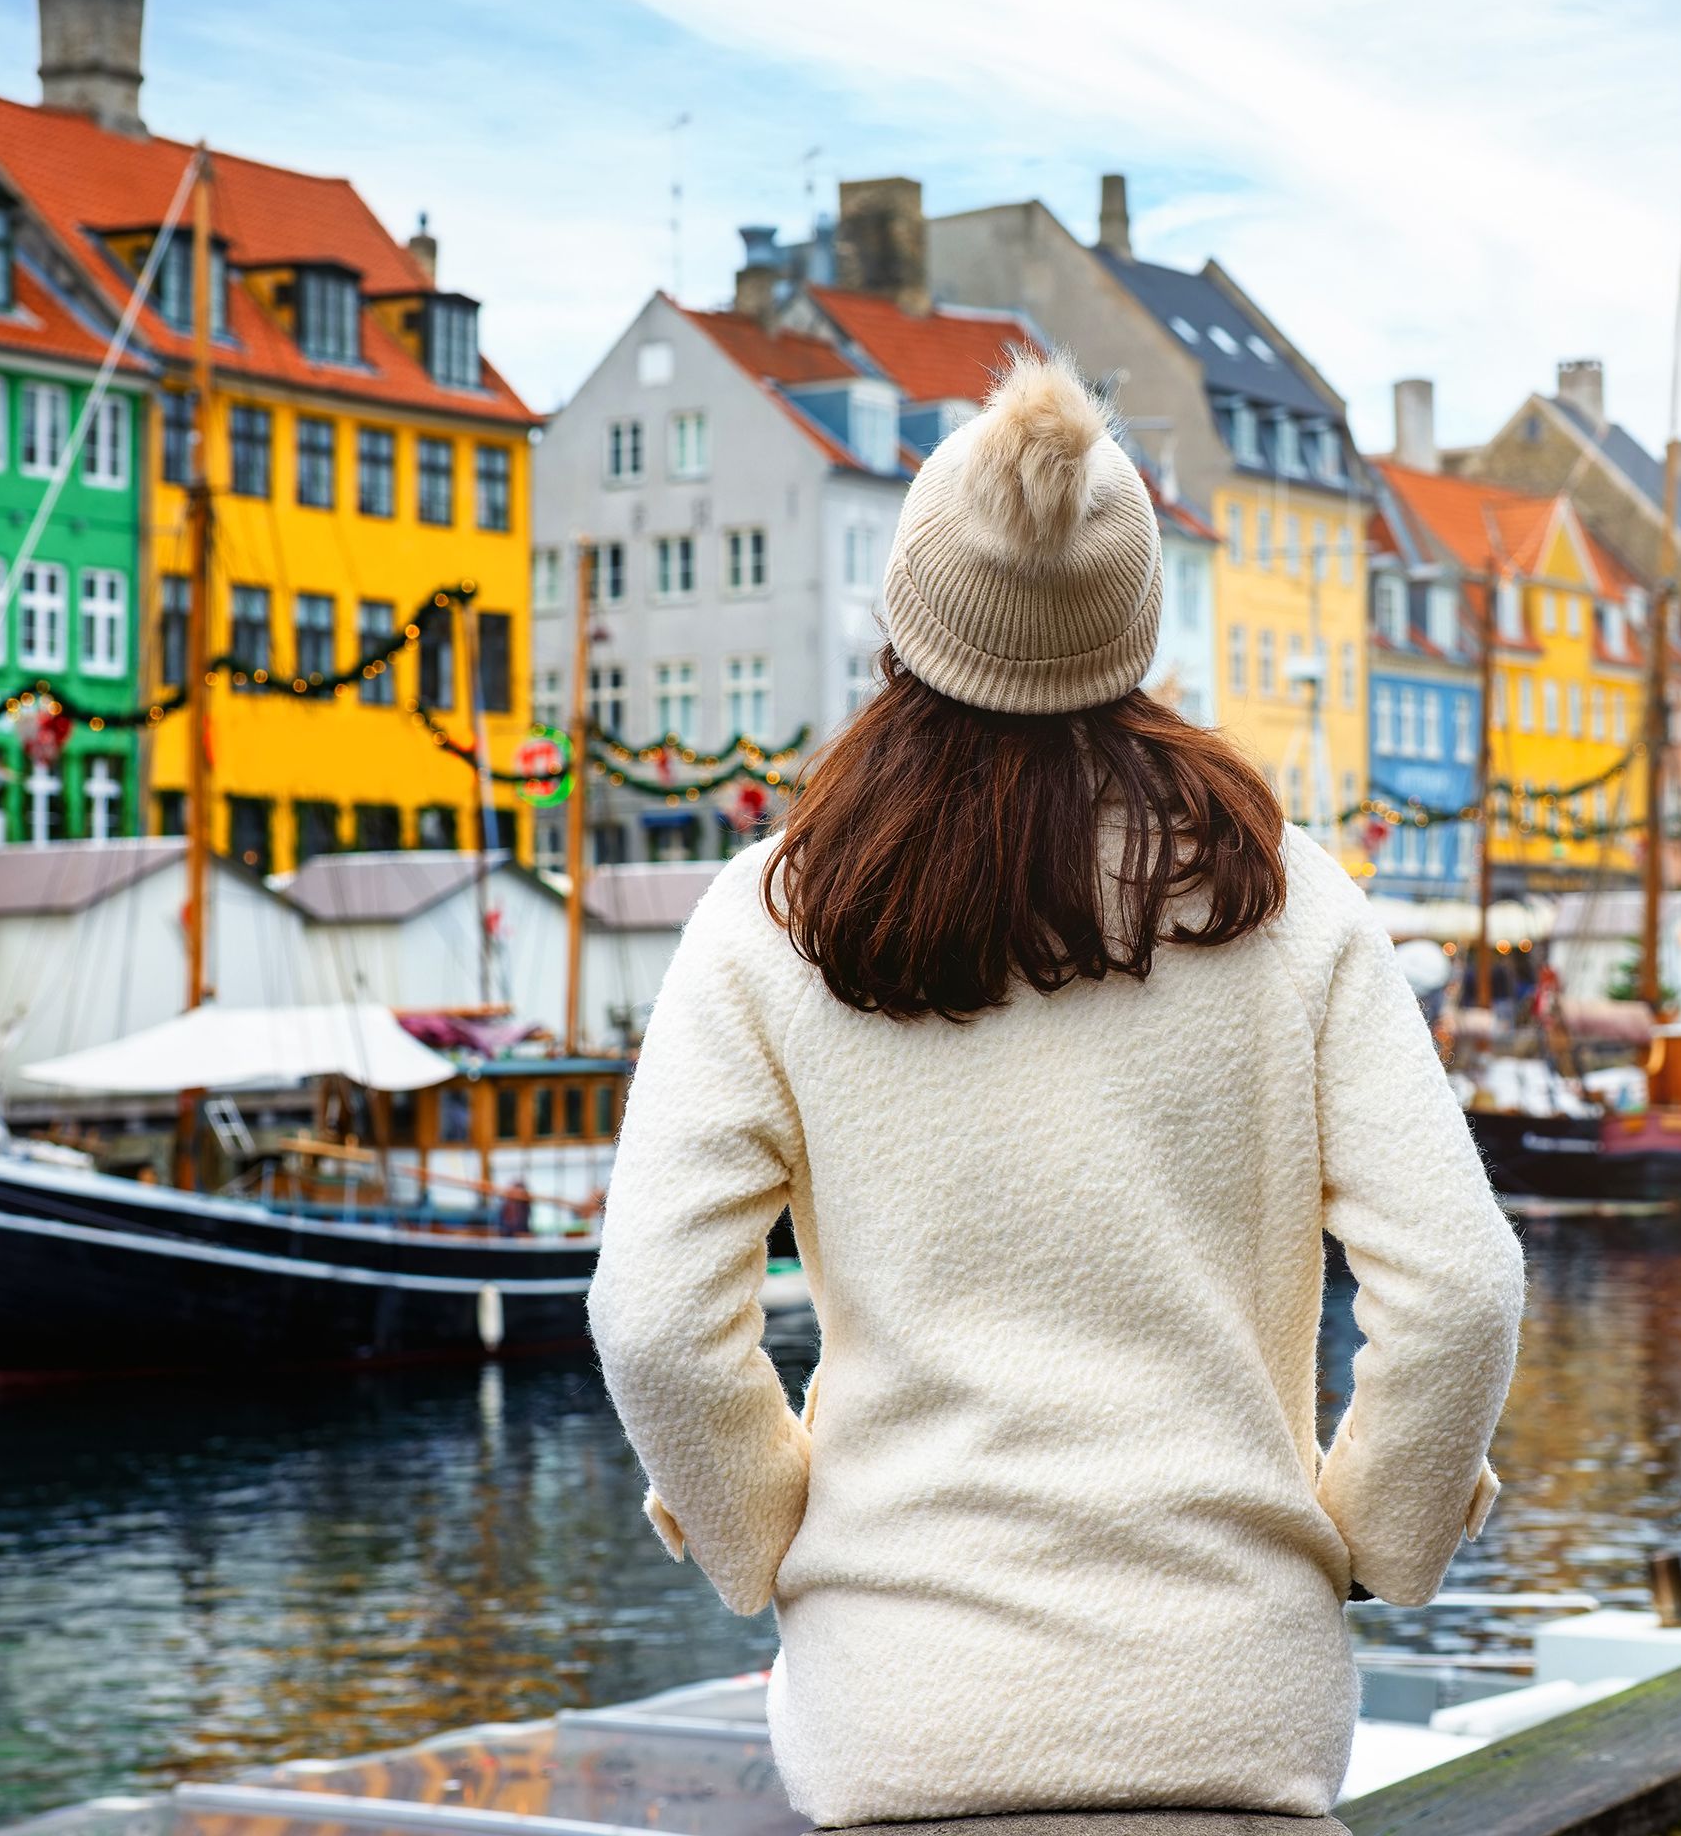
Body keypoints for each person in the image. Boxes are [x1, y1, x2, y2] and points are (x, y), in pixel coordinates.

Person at [589, 356, 1524, 1831]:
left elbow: (651, 1321)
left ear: (909, 614)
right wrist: (1366, 1543)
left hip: (898, 1711)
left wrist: (771, 1541)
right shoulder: (1297, 912)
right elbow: (1464, 1290)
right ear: (1136, 624)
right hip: (1240, 1701)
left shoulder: (767, 922)